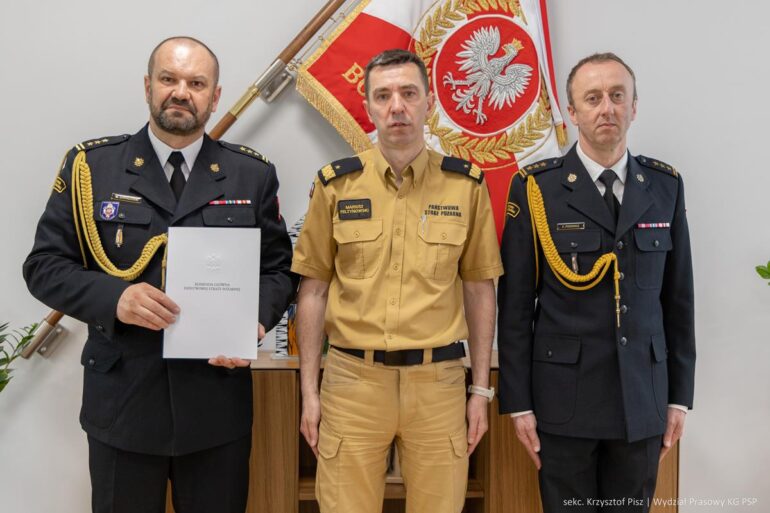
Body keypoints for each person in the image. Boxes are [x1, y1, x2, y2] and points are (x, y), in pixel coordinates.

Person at [23, 36, 296, 513]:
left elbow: (277, 269)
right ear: (148, 86)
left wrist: (250, 320)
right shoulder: (92, 167)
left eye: (197, 83)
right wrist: (115, 298)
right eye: (169, 79)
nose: (181, 92)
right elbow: (44, 266)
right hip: (122, 405)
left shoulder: (250, 174)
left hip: (215, 407)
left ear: (215, 96)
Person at [291, 49, 503, 513]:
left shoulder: (465, 186)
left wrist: (480, 390)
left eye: (409, 93)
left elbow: (479, 290)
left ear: (430, 102)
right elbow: (313, 291)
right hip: (352, 382)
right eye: (383, 96)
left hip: (438, 384)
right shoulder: (335, 185)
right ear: (368, 107)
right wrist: (309, 391)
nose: (397, 107)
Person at [497, 52, 696, 512]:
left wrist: (679, 399)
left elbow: (679, 300)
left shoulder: (664, 186)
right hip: (563, 403)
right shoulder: (537, 189)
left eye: (617, 96)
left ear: (634, 106)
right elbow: (516, 307)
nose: (607, 108)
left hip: (642, 399)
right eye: (593, 98)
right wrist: (519, 403)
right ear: (572, 111)